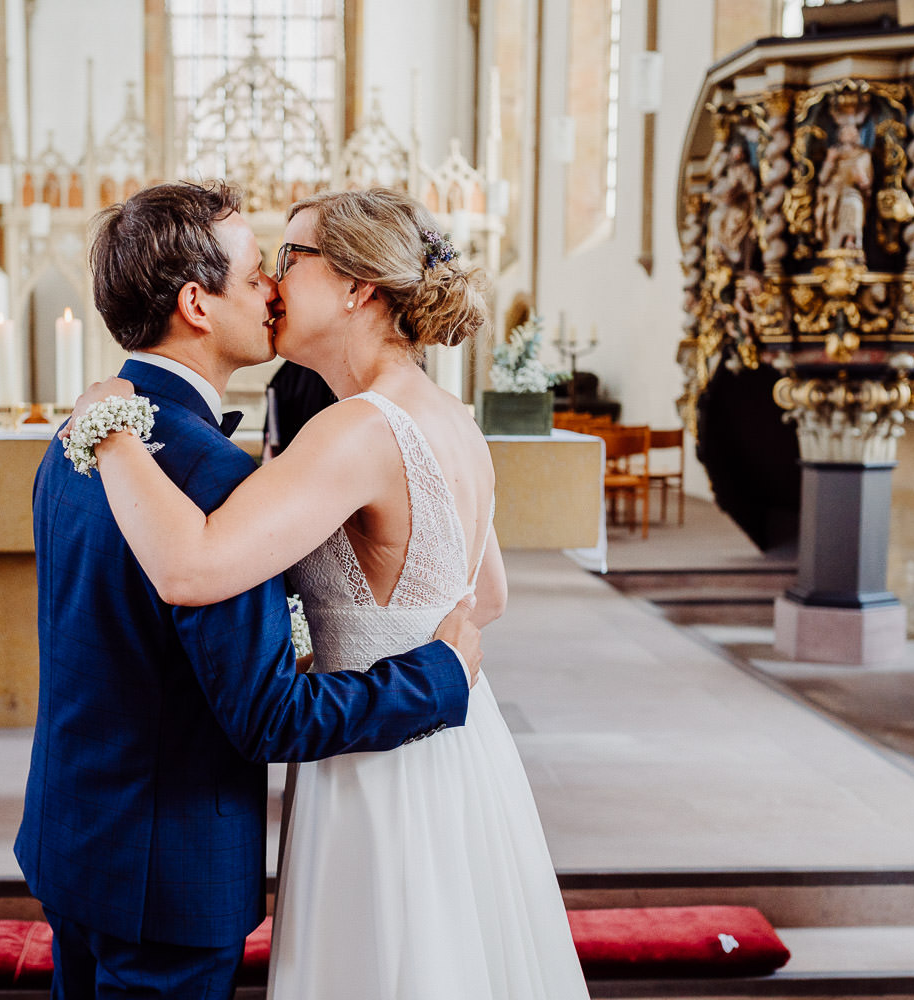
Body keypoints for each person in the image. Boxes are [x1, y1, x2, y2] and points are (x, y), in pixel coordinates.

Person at [65, 187, 589, 999]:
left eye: (290, 259)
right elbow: (485, 596)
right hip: (459, 745)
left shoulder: (354, 430)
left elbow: (192, 568)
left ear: (356, 287)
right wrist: (371, 636)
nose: (273, 284)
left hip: (377, 757)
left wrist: (108, 428)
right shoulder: (448, 416)